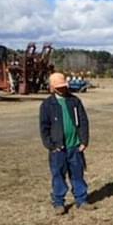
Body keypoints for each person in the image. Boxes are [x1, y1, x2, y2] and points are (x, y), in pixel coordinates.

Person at [39, 72, 92, 215]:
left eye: (63, 86)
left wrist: (84, 141)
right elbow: (44, 128)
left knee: (77, 175)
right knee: (58, 176)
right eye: (59, 87)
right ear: (52, 88)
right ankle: (58, 203)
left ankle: (82, 200)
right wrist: (51, 145)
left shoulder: (74, 101)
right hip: (58, 149)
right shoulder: (47, 105)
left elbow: (83, 122)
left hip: (75, 147)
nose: (62, 89)